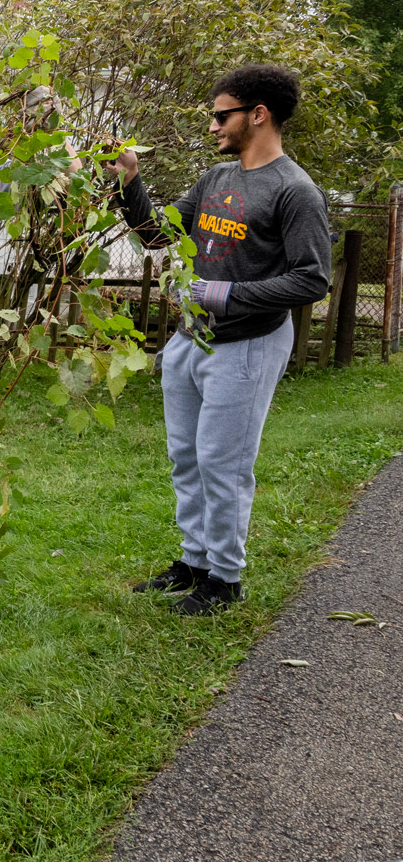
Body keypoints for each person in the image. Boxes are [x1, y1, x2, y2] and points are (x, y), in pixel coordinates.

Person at [108, 64, 330, 614]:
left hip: (248, 343)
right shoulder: (215, 181)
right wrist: (129, 181)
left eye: (220, 115)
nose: (212, 126)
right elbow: (158, 234)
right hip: (191, 339)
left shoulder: (295, 191)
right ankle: (194, 560)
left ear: (258, 115)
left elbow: (312, 278)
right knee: (187, 456)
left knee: (222, 464)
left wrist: (224, 295)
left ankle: (224, 580)